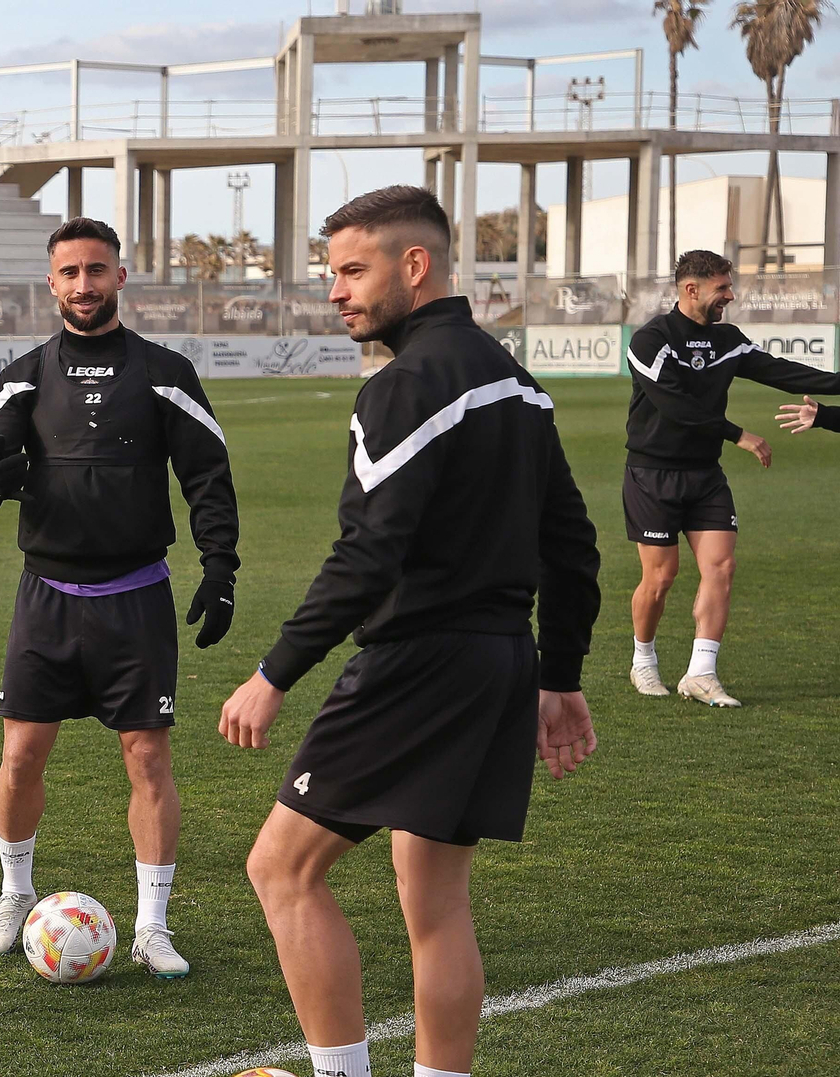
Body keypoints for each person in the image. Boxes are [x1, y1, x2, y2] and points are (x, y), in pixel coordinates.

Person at [218, 185, 601, 1077]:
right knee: (435, 902)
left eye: (353, 270)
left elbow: (369, 554)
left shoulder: (405, 386)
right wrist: (557, 675)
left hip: (420, 662)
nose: (337, 292)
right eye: (332, 274)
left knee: (282, 868)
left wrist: (274, 671)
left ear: (414, 265)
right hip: (499, 663)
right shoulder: (520, 385)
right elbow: (573, 549)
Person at [0, 217, 240, 979]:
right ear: (50, 283)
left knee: (148, 758)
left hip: (137, 596)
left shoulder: (165, 371)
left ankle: (152, 924)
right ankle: (15, 893)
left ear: (121, 276)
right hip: (46, 597)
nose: (83, 284)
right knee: (21, 753)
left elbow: (208, 475)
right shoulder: (24, 373)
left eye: (97, 269)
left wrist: (222, 567)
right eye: (70, 273)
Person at [624, 250, 840, 706]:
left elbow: (784, 373)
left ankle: (701, 673)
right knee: (660, 578)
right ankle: (644, 658)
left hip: (705, 476)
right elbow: (676, 406)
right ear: (691, 289)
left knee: (721, 567)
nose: (730, 295)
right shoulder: (651, 341)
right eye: (722, 287)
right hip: (652, 474)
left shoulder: (729, 339)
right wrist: (738, 434)